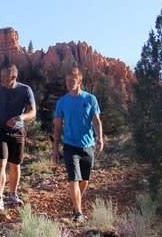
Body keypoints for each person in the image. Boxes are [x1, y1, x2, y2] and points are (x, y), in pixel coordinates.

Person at [52, 67, 104, 223]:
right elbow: (58, 127)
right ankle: (79, 213)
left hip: (88, 146)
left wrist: (100, 138)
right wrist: (55, 149)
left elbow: (96, 121)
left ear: (79, 81)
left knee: (85, 181)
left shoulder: (90, 99)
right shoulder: (62, 102)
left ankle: (76, 202)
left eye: (72, 80)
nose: (68, 83)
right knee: (74, 179)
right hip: (70, 146)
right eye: (67, 81)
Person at [0, 64, 36, 211]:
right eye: (1, 76)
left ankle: (13, 195)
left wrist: (21, 117)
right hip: (0, 129)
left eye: (4, 77)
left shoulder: (25, 90)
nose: (1, 79)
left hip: (17, 132)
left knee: (15, 166)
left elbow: (33, 112)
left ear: (13, 77)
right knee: (0, 163)